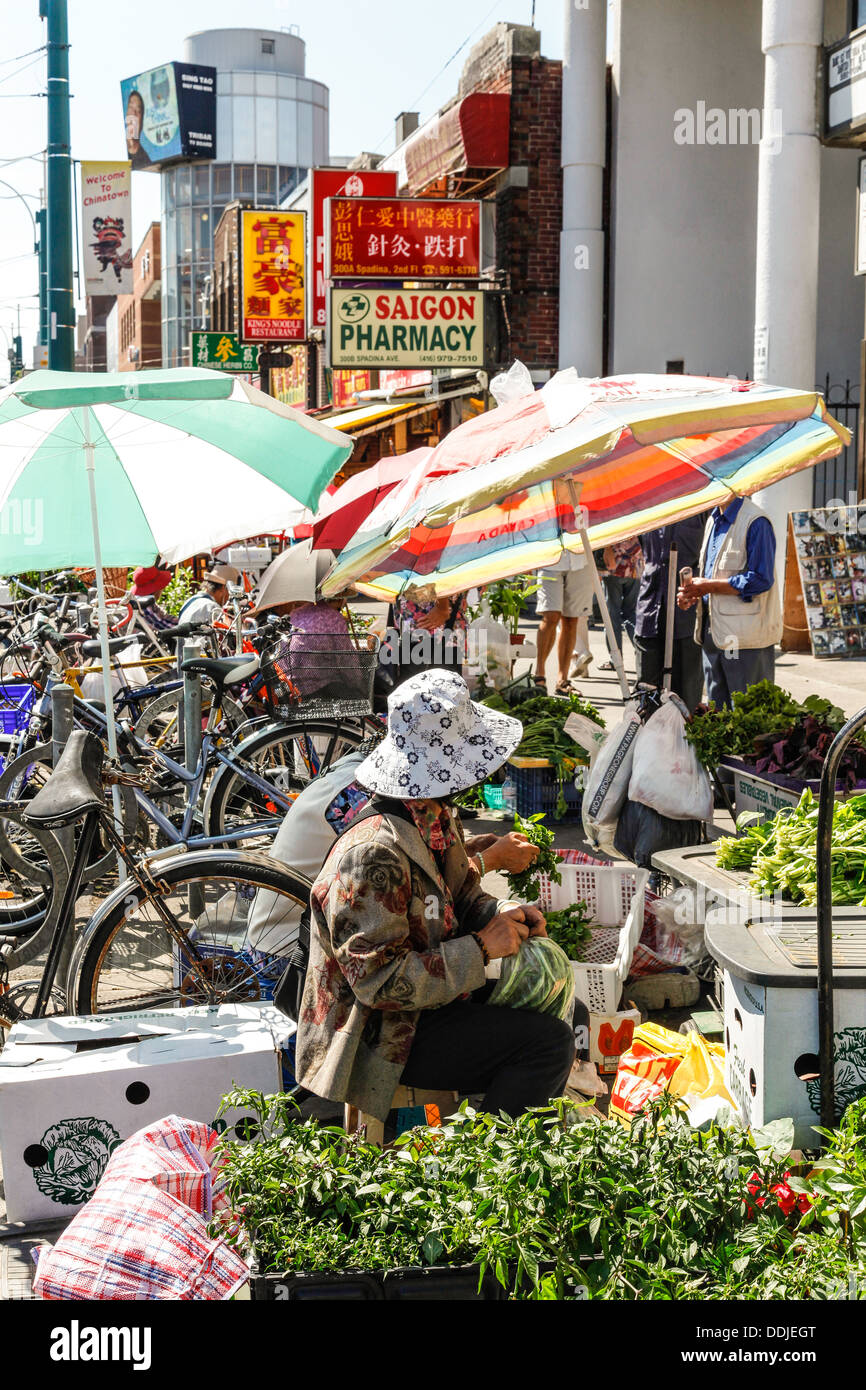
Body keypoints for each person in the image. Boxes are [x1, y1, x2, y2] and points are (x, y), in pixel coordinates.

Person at [295, 670, 579, 1122]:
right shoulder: (373, 856)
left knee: (567, 1005)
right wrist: (483, 947)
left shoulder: (434, 817)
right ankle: (492, 1169)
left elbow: (462, 894)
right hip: (380, 1033)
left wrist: (502, 912)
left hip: (432, 1001)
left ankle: (494, 1131)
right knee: (546, 1045)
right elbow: (380, 985)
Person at [246, 744, 542, 956]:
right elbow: (408, 883)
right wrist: (488, 860)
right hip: (287, 950)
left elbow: (417, 866)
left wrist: (464, 853)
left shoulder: (399, 790)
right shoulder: (361, 803)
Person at [677, 496, 780, 708]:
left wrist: (708, 586)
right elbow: (713, 574)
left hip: (743, 639)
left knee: (748, 713)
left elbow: (761, 579)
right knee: (719, 711)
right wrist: (694, 593)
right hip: (712, 632)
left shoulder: (755, 521)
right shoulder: (713, 519)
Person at [634, 518, 705, 712]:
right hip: (650, 612)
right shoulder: (650, 506)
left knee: (685, 701)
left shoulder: (701, 509)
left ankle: (683, 741)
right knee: (646, 700)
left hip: (687, 616)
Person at [534, 551, 595, 695]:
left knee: (571, 619)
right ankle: (539, 674)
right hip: (550, 559)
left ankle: (562, 679)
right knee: (551, 616)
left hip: (581, 560)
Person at [596, 539, 643, 673]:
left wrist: (606, 549)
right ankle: (641, 651)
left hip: (614, 565)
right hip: (635, 565)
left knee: (612, 615)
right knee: (631, 613)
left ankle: (615, 659)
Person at [177, 562, 240, 627]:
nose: (229, 597)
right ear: (223, 588)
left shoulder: (190, 601)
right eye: (230, 592)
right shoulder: (212, 608)